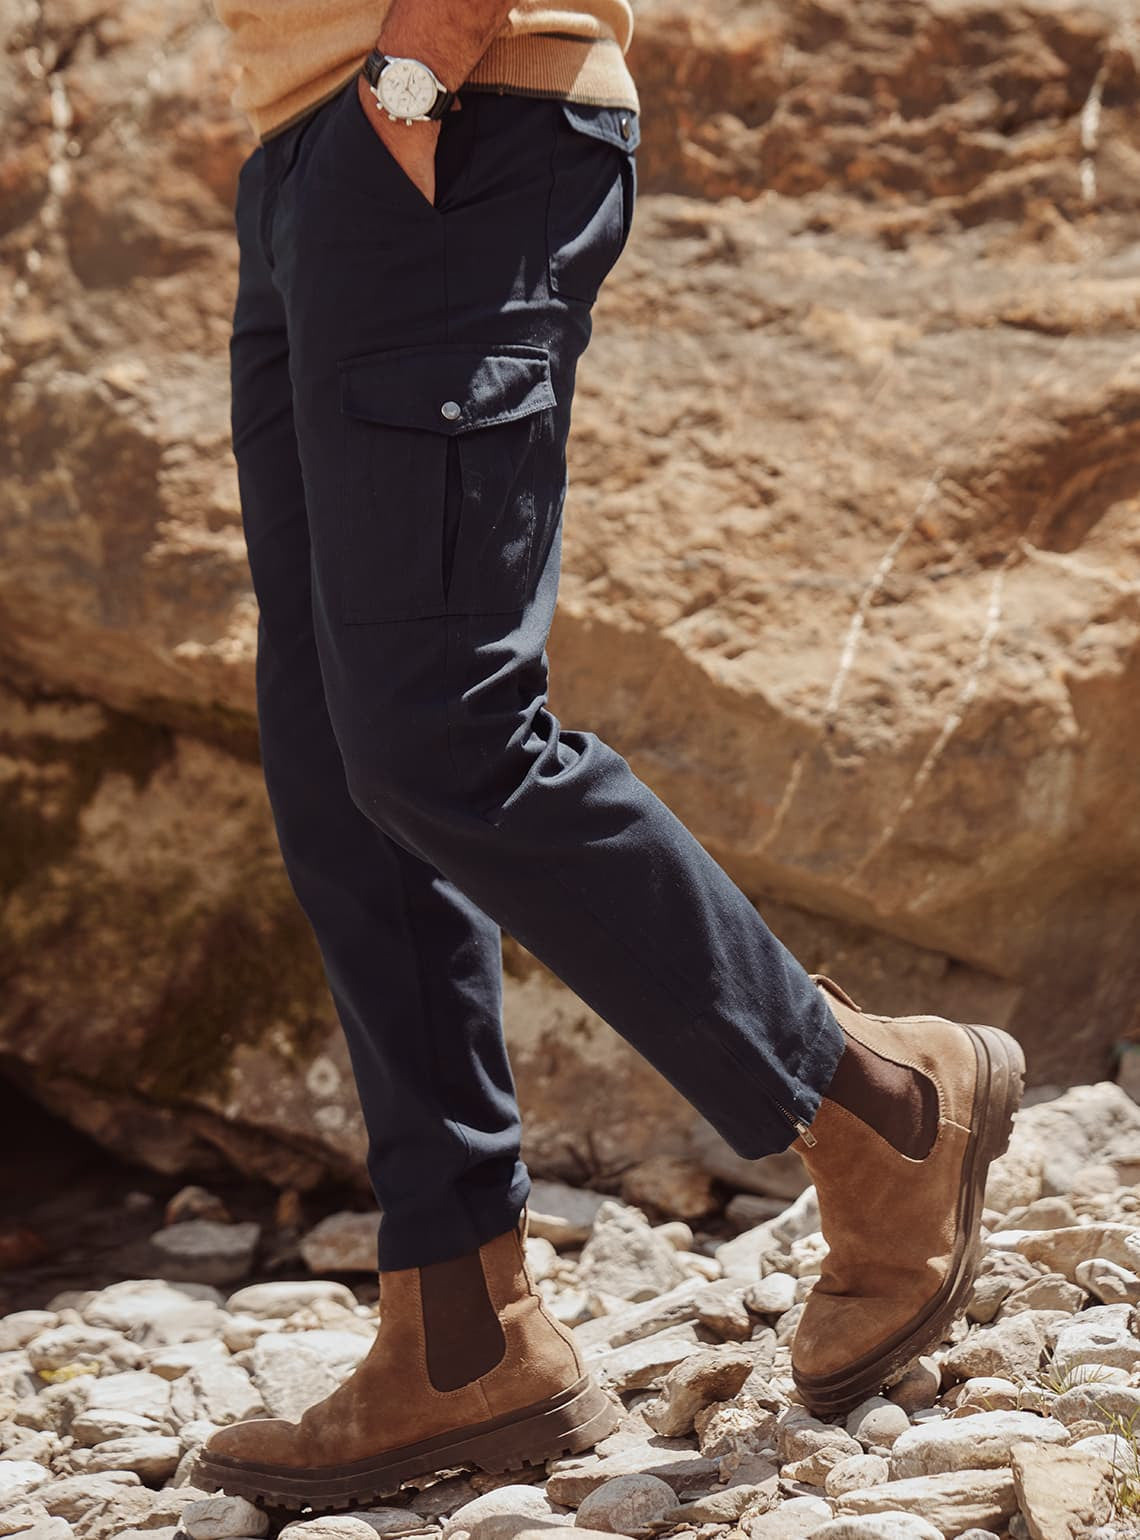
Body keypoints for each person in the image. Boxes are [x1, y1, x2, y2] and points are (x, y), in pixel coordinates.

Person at [195, 0, 1026, 1510]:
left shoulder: (422, 99)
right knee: (342, 764)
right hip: (314, 152)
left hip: (446, 109)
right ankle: (463, 1331)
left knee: (444, 730)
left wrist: (412, 75)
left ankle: (881, 1103)